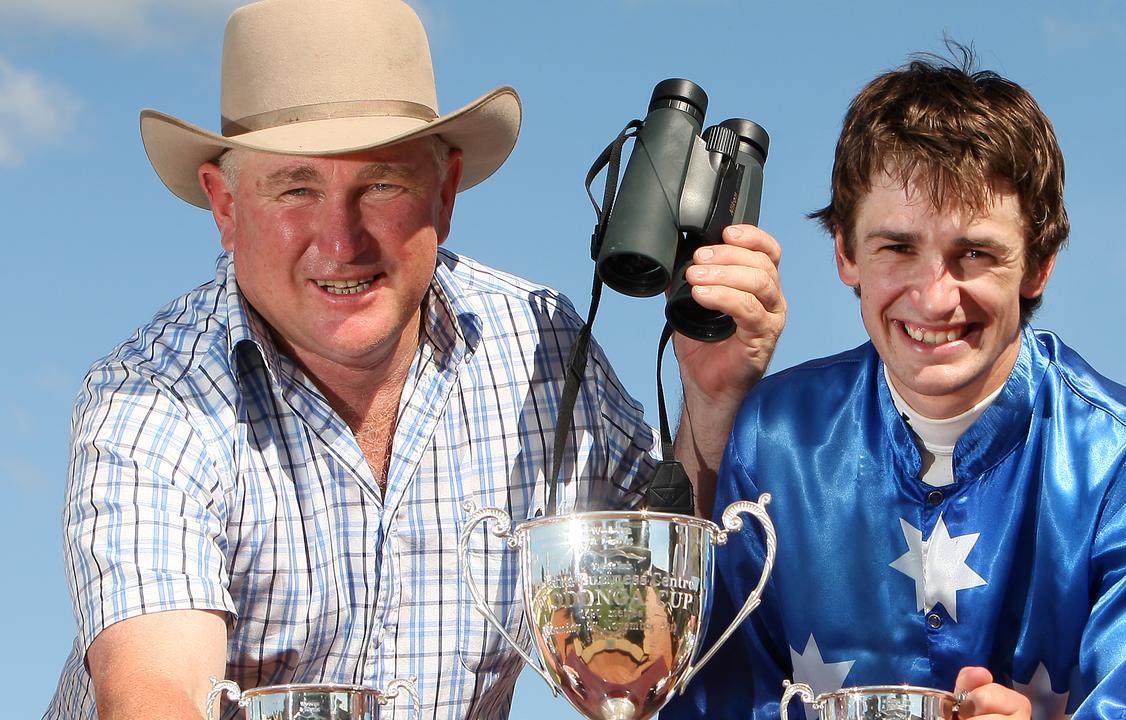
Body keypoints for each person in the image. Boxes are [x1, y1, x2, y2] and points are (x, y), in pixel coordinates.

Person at [44, 1, 784, 719]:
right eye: (296, 187)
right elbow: (154, 694)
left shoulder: (542, 349)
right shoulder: (148, 399)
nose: (340, 241)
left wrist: (713, 397)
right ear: (226, 206)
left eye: (382, 184)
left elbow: (657, 603)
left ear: (446, 191)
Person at [663, 52, 1126, 720]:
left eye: (975, 254)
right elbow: (705, 697)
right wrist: (714, 405)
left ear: (1039, 264)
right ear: (845, 253)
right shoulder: (773, 435)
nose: (932, 297)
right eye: (897, 247)